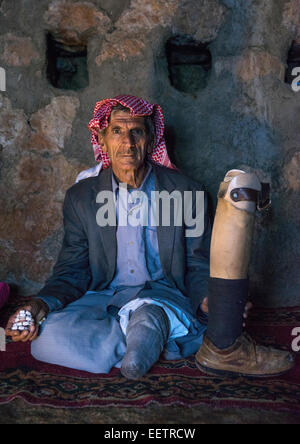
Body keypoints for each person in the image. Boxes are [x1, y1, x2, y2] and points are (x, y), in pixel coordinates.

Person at [5, 95, 294, 379]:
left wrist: (210, 299)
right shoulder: (81, 198)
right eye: (116, 131)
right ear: (102, 140)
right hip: (105, 298)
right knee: (46, 340)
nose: (128, 143)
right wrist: (40, 304)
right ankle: (146, 337)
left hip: (164, 294)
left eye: (136, 132)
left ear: (151, 140)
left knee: (163, 312)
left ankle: (147, 324)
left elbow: (198, 264)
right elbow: (72, 270)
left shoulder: (187, 193)